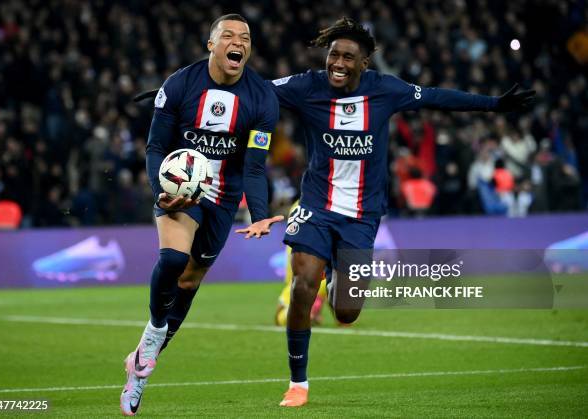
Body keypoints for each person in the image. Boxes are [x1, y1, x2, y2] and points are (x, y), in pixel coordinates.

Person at [269, 17, 535, 407]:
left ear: (364, 64)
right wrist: (185, 92)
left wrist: (493, 105)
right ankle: (298, 383)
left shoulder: (385, 90)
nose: (337, 63)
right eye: (333, 55)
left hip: (362, 217)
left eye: (347, 56)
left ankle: (338, 272)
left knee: (347, 313)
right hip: (316, 206)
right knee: (303, 283)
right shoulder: (306, 86)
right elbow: (250, 90)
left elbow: (436, 96)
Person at [120, 14, 282, 416]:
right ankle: (154, 336)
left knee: (190, 279)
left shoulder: (262, 99)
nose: (237, 41)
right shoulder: (179, 85)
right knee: (174, 260)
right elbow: (155, 147)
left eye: (245, 37)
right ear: (211, 44)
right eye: (228, 35)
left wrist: (258, 214)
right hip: (179, 189)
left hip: (224, 196)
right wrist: (163, 191)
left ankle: (139, 368)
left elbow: (255, 166)